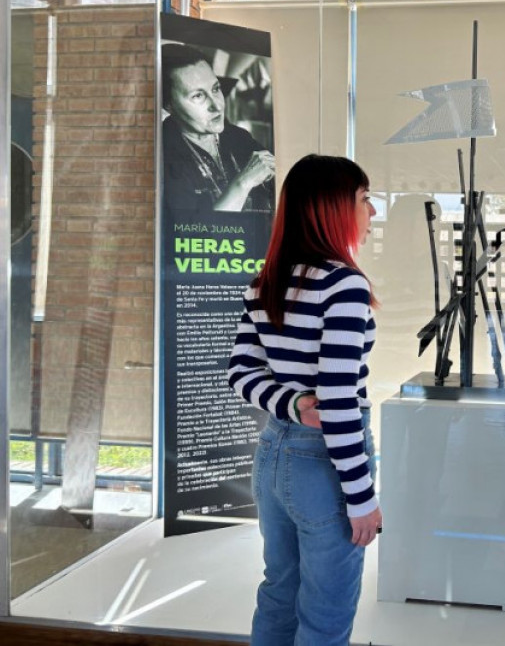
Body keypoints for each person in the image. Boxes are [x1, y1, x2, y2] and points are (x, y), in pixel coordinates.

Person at [227, 154, 381, 646]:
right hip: (324, 466)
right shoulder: (344, 284)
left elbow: (240, 373)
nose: (372, 211)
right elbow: (337, 401)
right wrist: (361, 499)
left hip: (273, 455)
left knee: (279, 593)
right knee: (326, 615)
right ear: (331, 208)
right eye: (363, 199)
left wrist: (290, 406)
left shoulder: (267, 278)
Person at [161, 43, 275, 213]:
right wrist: (243, 183)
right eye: (198, 96)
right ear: (168, 105)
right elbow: (193, 232)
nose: (217, 105)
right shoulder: (162, 151)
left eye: (215, 89)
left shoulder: (238, 136)